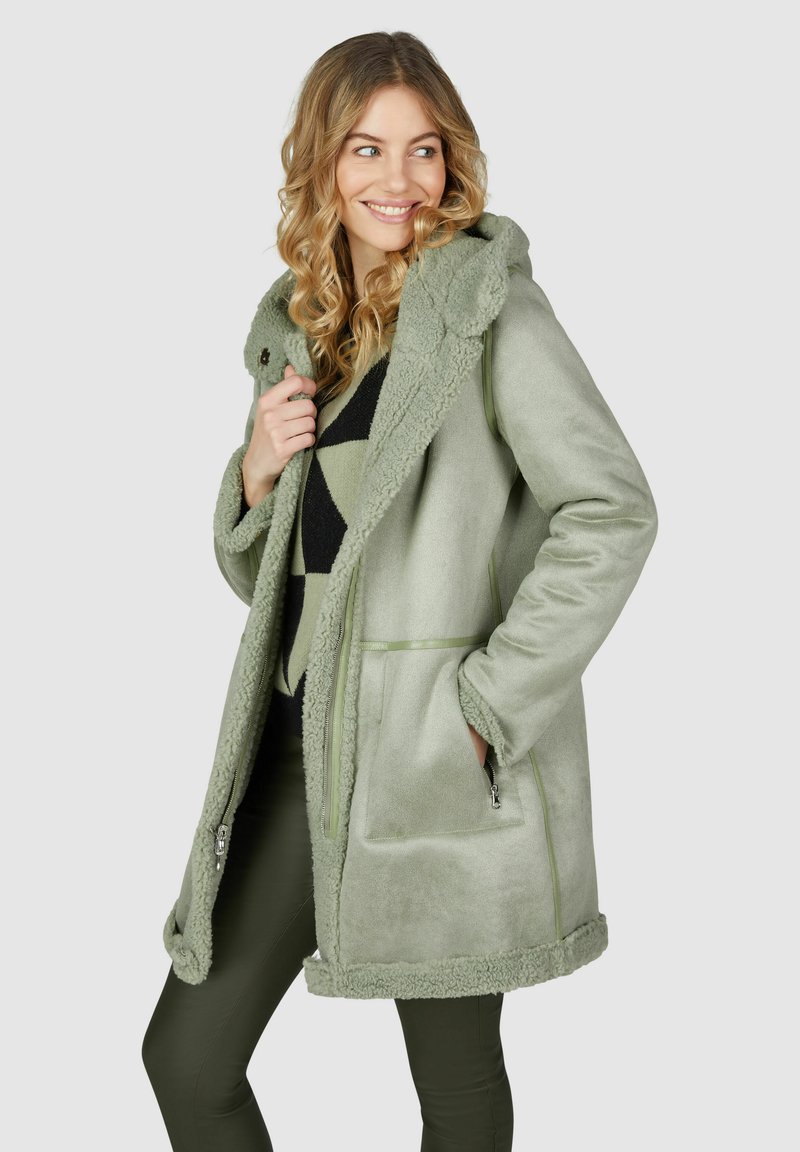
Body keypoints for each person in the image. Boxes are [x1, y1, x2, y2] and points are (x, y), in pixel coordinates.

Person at [142, 29, 658, 1152]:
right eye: (367, 149)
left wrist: (485, 706)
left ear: (452, 159)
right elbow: (284, 585)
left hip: (431, 757)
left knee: (454, 1080)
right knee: (187, 1059)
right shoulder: (311, 330)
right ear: (322, 161)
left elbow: (612, 510)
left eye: (423, 149)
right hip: (299, 743)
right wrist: (255, 476)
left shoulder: (487, 311)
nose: (399, 179)